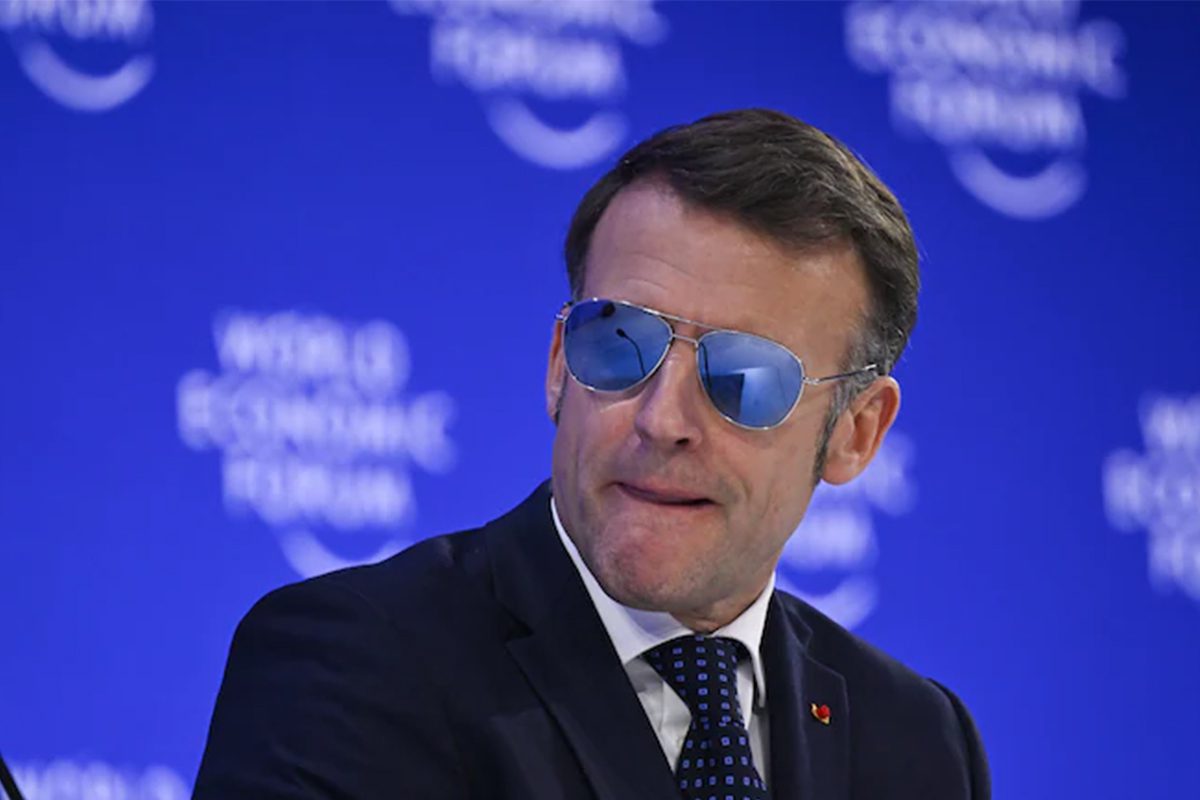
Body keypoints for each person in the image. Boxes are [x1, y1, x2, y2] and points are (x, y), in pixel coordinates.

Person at [193, 109, 990, 800]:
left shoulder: (918, 740)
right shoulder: (354, 665)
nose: (662, 419)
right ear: (557, 365)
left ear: (856, 431)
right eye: (619, 342)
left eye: (744, 377)